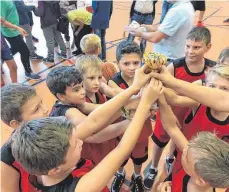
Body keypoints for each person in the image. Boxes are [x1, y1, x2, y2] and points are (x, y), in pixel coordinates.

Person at [10, 67, 163, 192]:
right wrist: (143, 108)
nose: (80, 141)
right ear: (55, 169)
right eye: (75, 144)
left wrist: (135, 92)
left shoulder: (44, 159)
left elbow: (93, 121)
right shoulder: (81, 187)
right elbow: (121, 150)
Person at [144, 26, 216, 190]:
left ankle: (170, 158)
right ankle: (154, 167)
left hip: (192, 116)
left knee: (180, 144)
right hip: (170, 111)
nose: (190, 51)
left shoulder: (211, 70)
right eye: (188, 46)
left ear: (208, 47)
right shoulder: (174, 66)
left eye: (196, 47)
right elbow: (165, 91)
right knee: (159, 141)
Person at [156, 93, 229, 192]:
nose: (184, 149)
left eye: (185, 156)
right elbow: (171, 127)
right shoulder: (199, 163)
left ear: (200, 181)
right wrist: (160, 96)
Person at [108, 41, 153, 191]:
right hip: (121, 129)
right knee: (120, 157)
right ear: (118, 63)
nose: (132, 67)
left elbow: (149, 104)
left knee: (139, 156)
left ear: (141, 61)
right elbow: (132, 104)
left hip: (142, 128)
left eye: (136, 62)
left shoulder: (147, 78)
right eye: (126, 63)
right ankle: (120, 174)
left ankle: (137, 175)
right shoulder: (113, 82)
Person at [1, 84, 49, 192]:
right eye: (36, 109)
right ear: (16, 124)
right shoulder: (8, 160)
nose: (45, 109)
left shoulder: (52, 129)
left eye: (41, 103)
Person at [128, 0, 194, 61]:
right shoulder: (185, 5)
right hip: (170, 57)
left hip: (167, 58)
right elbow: (166, 26)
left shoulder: (178, 11)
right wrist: (150, 28)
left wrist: (141, 33)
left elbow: (155, 38)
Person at [1, 0, 41, 80]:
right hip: (10, 32)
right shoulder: (2, 2)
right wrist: (17, 28)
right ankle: (28, 72)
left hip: (15, 30)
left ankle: (2, 59)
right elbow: (2, 21)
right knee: (25, 51)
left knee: (15, 48)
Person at [1, 17, 27, 86]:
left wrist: (17, 28)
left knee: (13, 67)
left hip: (3, 46)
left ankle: (15, 87)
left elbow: (4, 22)